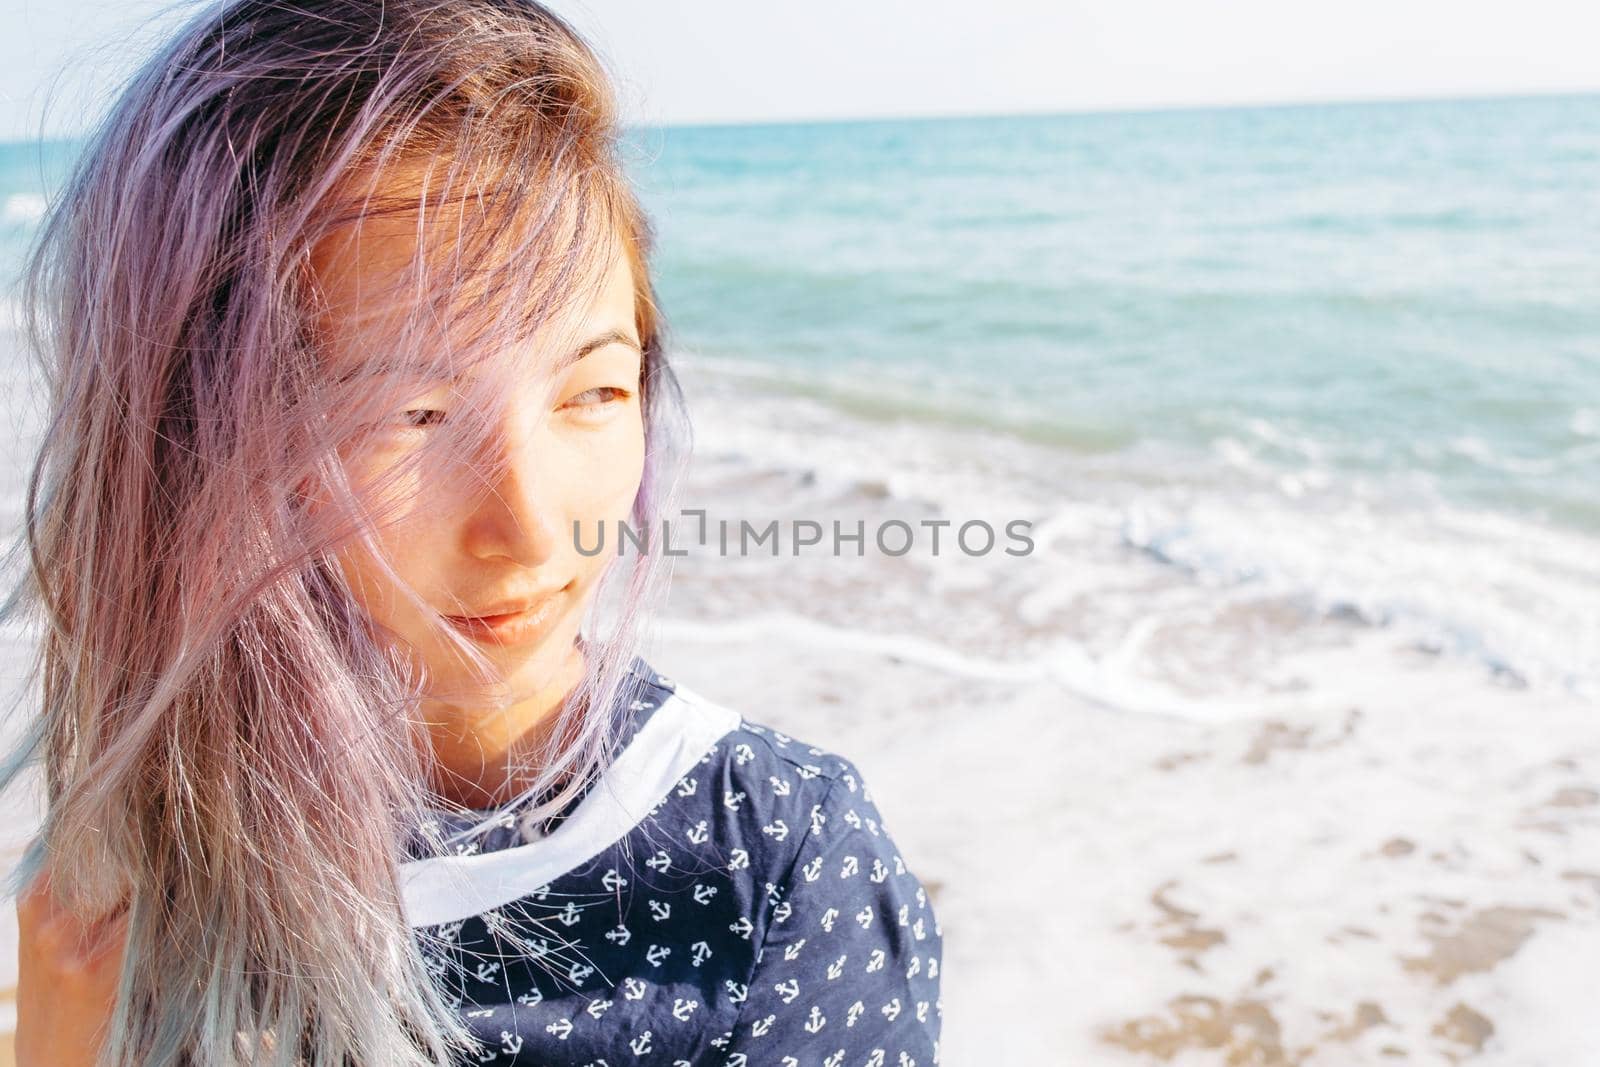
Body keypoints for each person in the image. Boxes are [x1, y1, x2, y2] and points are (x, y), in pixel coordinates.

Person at [0, 1, 944, 1064]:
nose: (532, 528)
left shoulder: (769, 862)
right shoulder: (141, 877)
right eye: (410, 416)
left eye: (590, 391)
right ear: (197, 437)